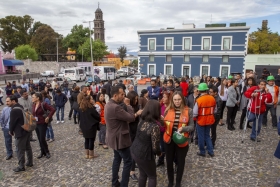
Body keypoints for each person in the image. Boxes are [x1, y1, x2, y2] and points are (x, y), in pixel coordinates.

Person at [105, 86, 139, 187]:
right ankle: (123, 185)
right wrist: (128, 105)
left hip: (113, 138)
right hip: (120, 139)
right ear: (115, 95)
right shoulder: (116, 107)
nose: (124, 96)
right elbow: (131, 117)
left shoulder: (109, 104)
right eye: (122, 94)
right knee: (128, 161)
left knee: (117, 159)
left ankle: (115, 182)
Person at [163, 91, 194, 187]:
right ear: (172, 100)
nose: (177, 101)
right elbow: (164, 125)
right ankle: (170, 181)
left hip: (182, 140)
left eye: (179, 99)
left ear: (183, 99)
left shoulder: (189, 111)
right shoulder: (167, 110)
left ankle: (178, 183)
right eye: (175, 99)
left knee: (181, 162)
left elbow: (192, 126)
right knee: (169, 162)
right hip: (169, 140)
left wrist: (184, 128)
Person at [130, 100, 161, 187]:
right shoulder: (154, 126)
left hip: (135, 151)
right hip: (145, 155)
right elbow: (155, 147)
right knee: (152, 176)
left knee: (143, 174)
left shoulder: (142, 120)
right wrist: (160, 153)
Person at [8, 95, 33, 172]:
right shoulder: (20, 107)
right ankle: (30, 162)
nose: (6, 103)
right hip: (26, 130)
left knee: (19, 149)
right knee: (28, 147)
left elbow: (12, 123)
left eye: (8, 101)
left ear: (13, 101)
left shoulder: (14, 110)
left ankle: (21, 166)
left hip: (20, 132)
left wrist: (10, 131)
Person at [193, 83, 216, 158]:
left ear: (199, 91)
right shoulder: (212, 98)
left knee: (201, 136)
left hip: (201, 120)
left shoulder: (198, 100)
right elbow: (215, 110)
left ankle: (202, 151)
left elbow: (195, 113)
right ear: (207, 90)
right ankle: (211, 151)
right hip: (209, 120)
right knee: (207, 136)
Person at [32, 92, 55, 159]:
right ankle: (42, 152)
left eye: (33, 97)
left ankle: (47, 152)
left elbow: (52, 109)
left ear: (38, 98)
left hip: (42, 123)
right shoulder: (33, 104)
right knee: (39, 138)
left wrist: (48, 117)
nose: (32, 98)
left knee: (42, 138)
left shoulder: (43, 104)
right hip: (36, 123)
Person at [126, 91, 143, 182]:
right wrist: (137, 114)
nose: (136, 101)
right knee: (133, 152)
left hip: (136, 130)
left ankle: (133, 165)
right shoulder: (128, 107)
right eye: (135, 99)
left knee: (136, 151)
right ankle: (131, 172)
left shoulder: (136, 106)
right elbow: (128, 120)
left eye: (137, 99)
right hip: (130, 131)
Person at [156, 91, 171, 167]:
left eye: (165, 97)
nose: (163, 98)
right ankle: (161, 160)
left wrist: (164, 119)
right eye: (163, 97)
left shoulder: (171, 108)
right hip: (160, 130)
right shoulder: (160, 106)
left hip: (168, 130)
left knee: (167, 147)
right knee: (161, 146)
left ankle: (170, 161)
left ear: (169, 98)